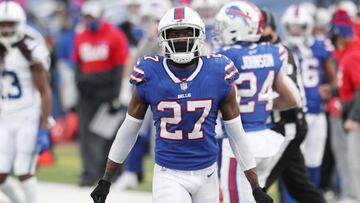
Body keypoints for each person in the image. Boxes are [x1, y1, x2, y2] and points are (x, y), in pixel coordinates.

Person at [91, 6, 273, 203]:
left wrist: (255, 187)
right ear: (162, 37)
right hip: (169, 174)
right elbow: (128, 131)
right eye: (174, 33)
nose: (180, 39)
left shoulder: (218, 71)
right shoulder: (150, 72)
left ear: (199, 36)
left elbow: (237, 134)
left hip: (208, 174)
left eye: (187, 32)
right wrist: (106, 180)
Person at [213, 2, 299, 203]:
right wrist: (262, 106)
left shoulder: (225, 56)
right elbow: (292, 98)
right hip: (265, 139)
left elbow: (216, 99)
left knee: (235, 199)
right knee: (253, 197)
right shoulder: (272, 52)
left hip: (238, 142)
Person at [259, 8, 326, 203]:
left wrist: (258, 104)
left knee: (256, 185)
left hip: (287, 125)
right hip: (282, 126)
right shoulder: (272, 50)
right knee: (299, 186)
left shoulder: (278, 51)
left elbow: (290, 98)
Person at [72, 1, 129, 186]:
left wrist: (116, 95)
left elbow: (120, 67)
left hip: (107, 91)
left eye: (92, 18)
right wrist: (80, 83)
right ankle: (89, 173)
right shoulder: (81, 36)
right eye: (87, 18)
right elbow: (78, 64)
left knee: (110, 134)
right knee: (87, 135)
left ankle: (113, 174)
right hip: (88, 93)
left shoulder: (114, 35)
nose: (90, 21)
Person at [0, 1, 52, 203]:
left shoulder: (30, 50)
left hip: (28, 116)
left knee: (23, 171)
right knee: (1, 175)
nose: (5, 29)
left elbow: (45, 91)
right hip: (5, 117)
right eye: (2, 24)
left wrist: (44, 126)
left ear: (19, 24)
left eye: (9, 24)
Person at [281, 4, 337, 187]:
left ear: (309, 26)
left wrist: (329, 88)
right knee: (294, 162)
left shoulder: (320, 45)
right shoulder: (280, 48)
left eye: (300, 27)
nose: (295, 32)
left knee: (314, 161)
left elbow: (334, 79)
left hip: (316, 112)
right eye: (292, 27)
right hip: (292, 113)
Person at [329, 9, 360, 202]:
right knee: (344, 157)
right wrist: (332, 92)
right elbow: (346, 86)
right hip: (345, 111)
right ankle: (350, 194)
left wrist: (354, 117)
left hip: (353, 116)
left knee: (353, 160)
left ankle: (355, 196)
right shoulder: (345, 53)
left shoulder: (354, 54)